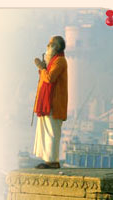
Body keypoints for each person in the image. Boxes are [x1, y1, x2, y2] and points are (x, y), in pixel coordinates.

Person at [33, 36, 68, 169]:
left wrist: (42, 68)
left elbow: (49, 78)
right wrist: (43, 67)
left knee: (52, 132)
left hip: (54, 102)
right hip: (48, 102)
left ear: (55, 47)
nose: (47, 47)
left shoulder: (60, 61)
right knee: (46, 131)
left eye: (50, 45)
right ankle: (48, 159)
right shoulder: (54, 61)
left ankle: (53, 161)